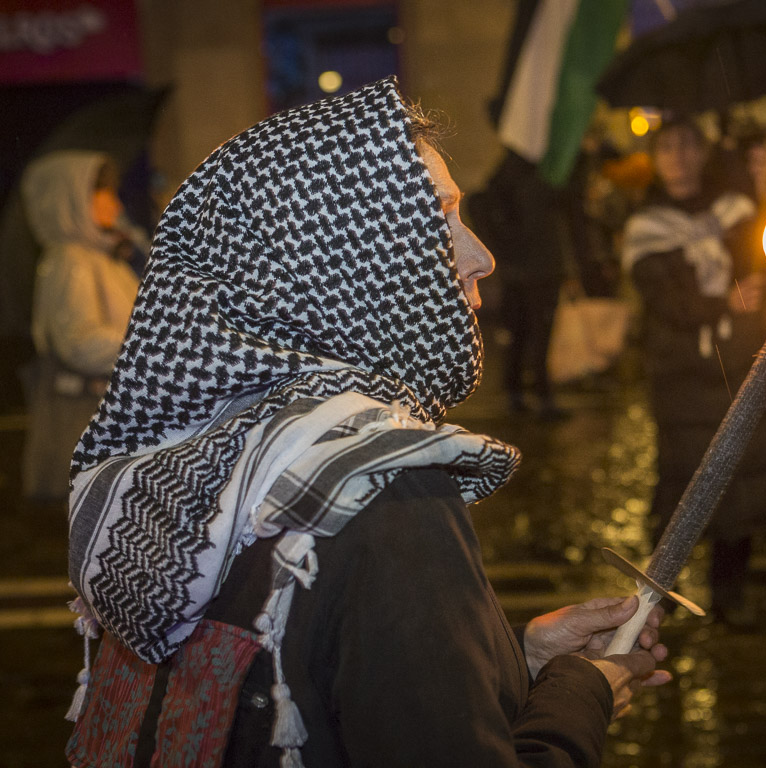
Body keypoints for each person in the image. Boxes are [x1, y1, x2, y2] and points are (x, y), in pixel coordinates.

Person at [63, 78, 669, 767]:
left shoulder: (187, 462)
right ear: (340, 265)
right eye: (440, 219)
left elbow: (306, 683)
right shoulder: (383, 491)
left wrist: (513, 656)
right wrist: (578, 698)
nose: (480, 257)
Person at [622, 118, 766, 629]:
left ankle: (729, 591)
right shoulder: (646, 226)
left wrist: (763, 283)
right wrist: (724, 301)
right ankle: (660, 592)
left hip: (735, 365)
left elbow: (760, 273)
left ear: (703, 152)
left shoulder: (737, 214)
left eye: (687, 144)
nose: (677, 156)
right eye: (666, 147)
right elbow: (666, 299)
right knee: (682, 481)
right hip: (681, 374)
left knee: (740, 478)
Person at [19, 150, 141, 502]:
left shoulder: (102, 257)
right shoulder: (72, 260)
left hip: (110, 411)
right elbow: (79, 341)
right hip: (91, 414)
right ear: (70, 200)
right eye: (99, 193)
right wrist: (152, 348)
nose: (111, 203)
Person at [466, 151, 571, 419]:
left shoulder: (508, 171)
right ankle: (541, 396)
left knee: (520, 333)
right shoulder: (540, 173)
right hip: (538, 270)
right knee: (537, 334)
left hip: (519, 271)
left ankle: (517, 393)